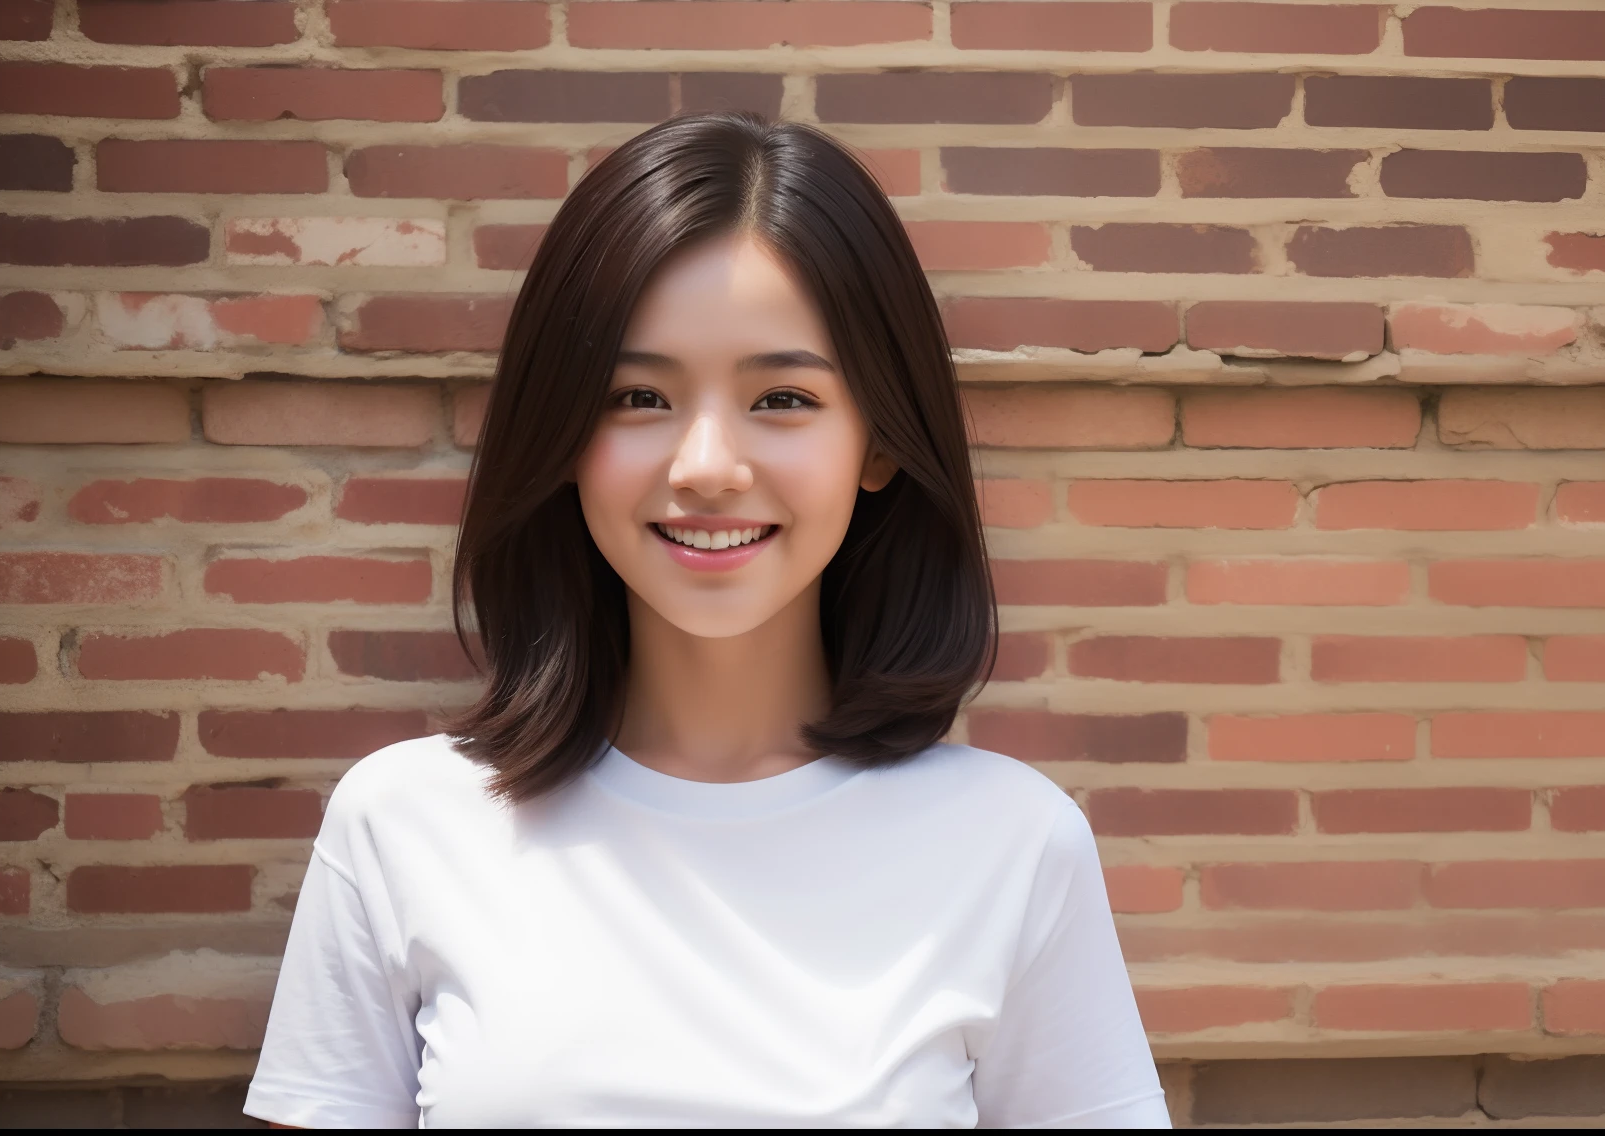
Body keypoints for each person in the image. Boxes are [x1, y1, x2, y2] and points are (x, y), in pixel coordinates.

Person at [243, 113, 1168, 1129]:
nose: (706, 466)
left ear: (878, 441)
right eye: (639, 395)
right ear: (561, 436)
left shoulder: (1014, 843)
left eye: (781, 396)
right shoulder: (403, 822)